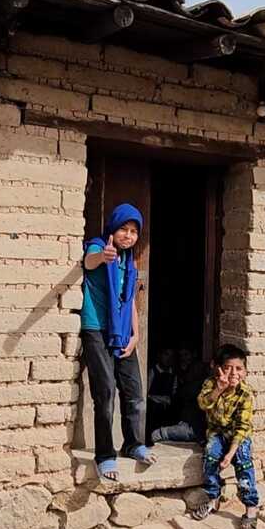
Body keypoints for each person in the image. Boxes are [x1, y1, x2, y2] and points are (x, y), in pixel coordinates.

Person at [81, 203, 156, 481]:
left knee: (135, 393)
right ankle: (105, 455)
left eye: (134, 231)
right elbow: (89, 262)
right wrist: (104, 256)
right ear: (113, 228)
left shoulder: (129, 261)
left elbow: (129, 303)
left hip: (123, 333)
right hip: (97, 329)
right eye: (124, 229)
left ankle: (134, 443)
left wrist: (136, 335)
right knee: (105, 394)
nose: (128, 235)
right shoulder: (99, 247)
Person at [191, 344, 259, 529]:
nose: (233, 373)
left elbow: (243, 427)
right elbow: (203, 404)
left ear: (245, 372)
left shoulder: (245, 394)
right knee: (210, 455)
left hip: (238, 437)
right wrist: (219, 389)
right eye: (228, 367)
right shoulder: (211, 384)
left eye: (239, 369)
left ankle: (251, 509)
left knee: (244, 462)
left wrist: (230, 454)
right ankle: (213, 499)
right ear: (219, 368)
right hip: (217, 433)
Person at [146, 348, 178, 445]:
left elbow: (174, 393)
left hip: (167, 406)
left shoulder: (173, 374)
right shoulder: (153, 371)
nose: (168, 358)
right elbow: (146, 393)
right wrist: (160, 399)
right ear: (160, 356)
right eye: (166, 354)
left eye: (171, 356)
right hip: (153, 404)